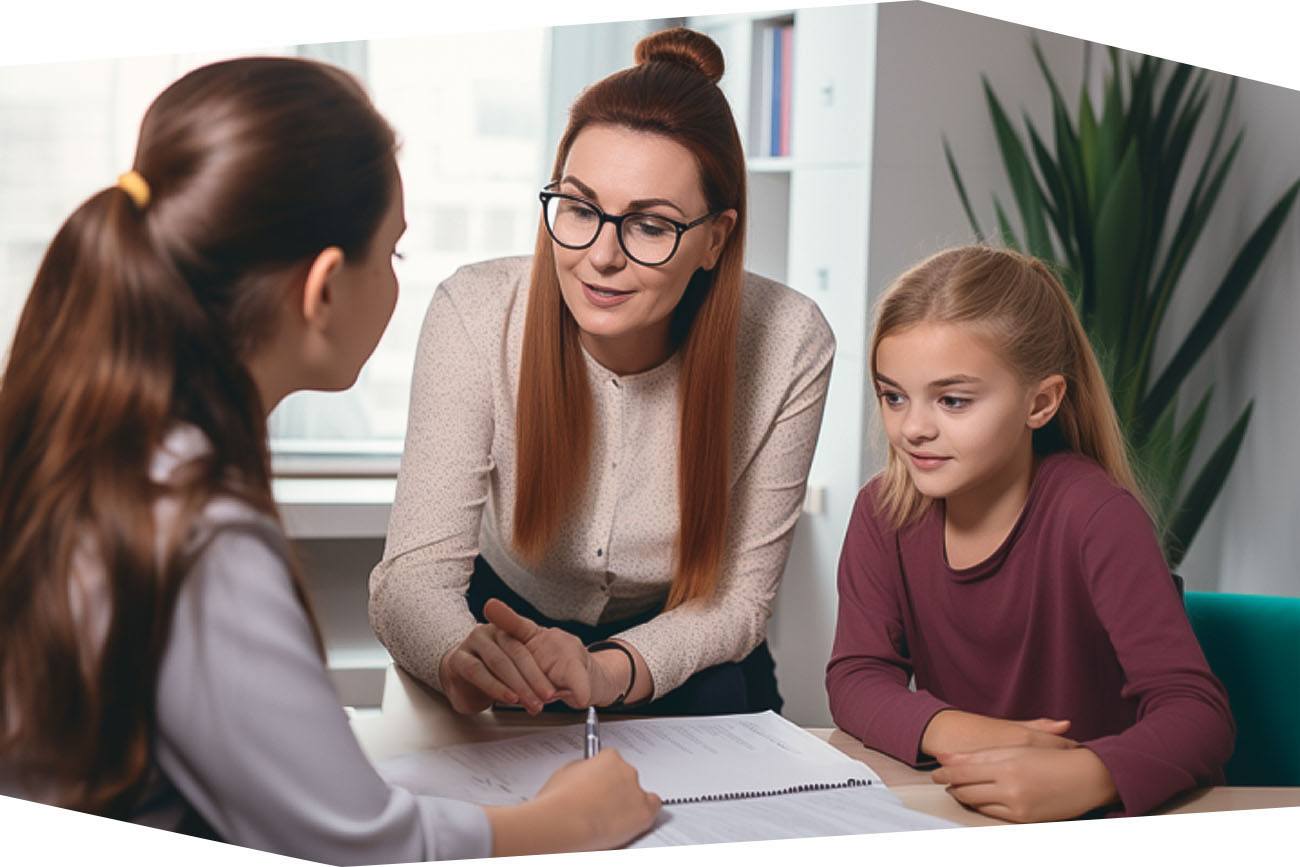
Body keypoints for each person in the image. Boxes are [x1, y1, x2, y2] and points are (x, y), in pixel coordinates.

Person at [0, 56, 659, 863]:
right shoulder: (193, 531)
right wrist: (572, 821)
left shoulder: (94, 449)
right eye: (392, 254)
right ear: (320, 291)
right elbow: (357, 844)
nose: (394, 280)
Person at [369, 27, 834, 716]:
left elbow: (737, 603)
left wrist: (608, 672)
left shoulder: (791, 342)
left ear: (716, 237)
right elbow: (412, 578)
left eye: (650, 225)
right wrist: (456, 652)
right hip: (501, 637)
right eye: (581, 209)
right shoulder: (475, 311)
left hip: (679, 653)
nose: (600, 256)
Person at [825, 245, 1234, 822]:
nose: (913, 428)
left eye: (952, 400)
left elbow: (1199, 715)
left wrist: (1093, 774)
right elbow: (857, 676)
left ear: (1040, 402)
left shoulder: (1096, 514)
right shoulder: (884, 512)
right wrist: (967, 734)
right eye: (893, 396)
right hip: (971, 815)